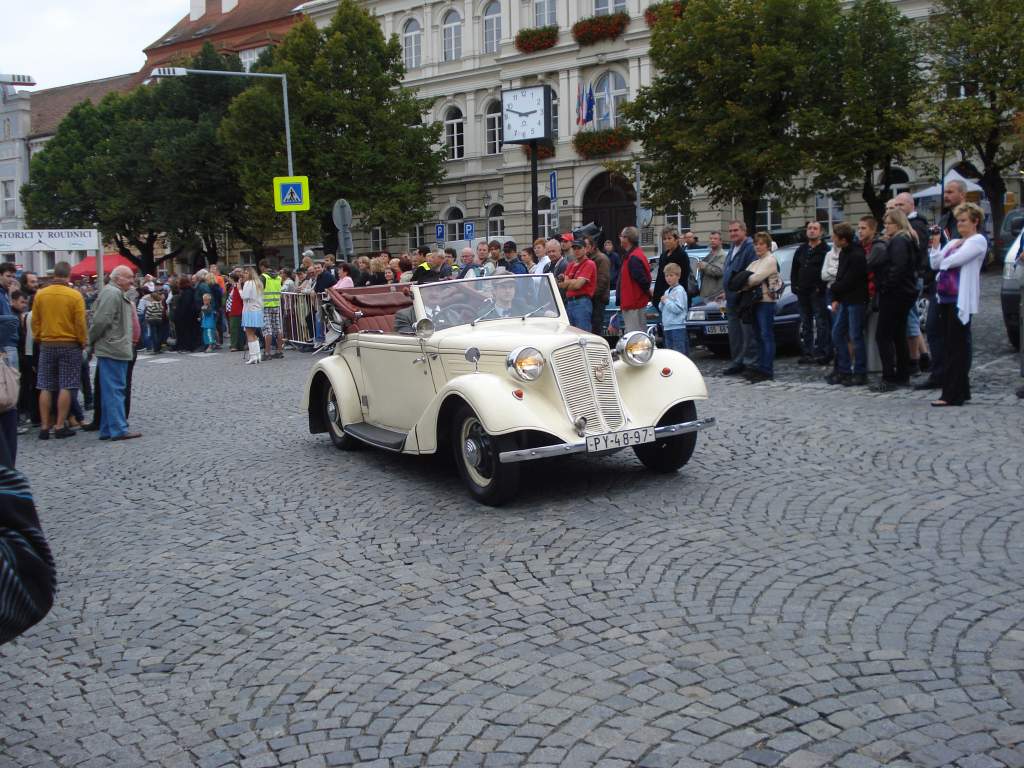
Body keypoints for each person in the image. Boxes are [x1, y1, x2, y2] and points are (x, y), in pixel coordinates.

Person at [928, 202, 986, 406]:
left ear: (975, 221)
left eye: (964, 221)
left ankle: (952, 394)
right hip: (945, 297)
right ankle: (961, 390)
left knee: (956, 347)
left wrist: (944, 260)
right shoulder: (953, 242)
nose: (960, 225)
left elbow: (955, 261)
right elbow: (935, 263)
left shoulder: (978, 240)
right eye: (958, 221)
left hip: (961, 300)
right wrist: (936, 246)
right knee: (949, 345)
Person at [916, 179, 967, 391]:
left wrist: (939, 251)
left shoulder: (965, 219)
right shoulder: (945, 218)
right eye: (945, 192)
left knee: (958, 334)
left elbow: (954, 250)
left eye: (951, 192)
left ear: (962, 195)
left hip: (958, 282)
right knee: (935, 330)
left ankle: (959, 377)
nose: (946, 196)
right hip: (939, 280)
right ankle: (939, 373)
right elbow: (936, 253)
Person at [30, 262, 87, 440]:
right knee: (67, 384)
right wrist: (82, 341)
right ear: (68, 275)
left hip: (47, 343)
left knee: (45, 385)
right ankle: (60, 425)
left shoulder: (40, 294)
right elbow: (80, 322)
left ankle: (45, 426)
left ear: (53, 274)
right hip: (69, 343)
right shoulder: (74, 295)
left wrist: (39, 336)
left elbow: (35, 321)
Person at [88, 266, 140, 441]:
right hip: (114, 347)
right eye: (129, 277)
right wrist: (90, 341)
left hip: (112, 346)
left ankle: (107, 429)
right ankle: (118, 429)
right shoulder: (112, 293)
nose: (132, 281)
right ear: (117, 278)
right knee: (116, 390)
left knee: (110, 390)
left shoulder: (112, 292)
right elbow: (101, 320)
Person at [869, 209, 919, 391]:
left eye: (888, 223)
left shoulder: (899, 241)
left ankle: (889, 376)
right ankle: (902, 375)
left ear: (897, 224)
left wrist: (885, 286)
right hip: (903, 293)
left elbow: (897, 268)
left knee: (883, 335)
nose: (885, 227)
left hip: (895, 293)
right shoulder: (907, 239)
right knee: (898, 335)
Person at [825, 222, 869, 386]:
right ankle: (844, 369)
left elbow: (849, 280)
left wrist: (833, 289)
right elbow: (840, 276)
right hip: (845, 299)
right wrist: (836, 296)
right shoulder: (844, 252)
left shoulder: (857, 255)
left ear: (843, 239)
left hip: (856, 300)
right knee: (837, 333)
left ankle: (860, 371)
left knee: (856, 336)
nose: (833, 239)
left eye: (835, 237)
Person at [791, 221, 831, 365]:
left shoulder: (825, 249)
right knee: (805, 323)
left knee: (821, 323)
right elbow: (795, 268)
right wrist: (794, 286)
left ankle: (822, 352)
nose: (812, 231)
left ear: (820, 232)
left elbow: (827, 269)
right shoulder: (801, 249)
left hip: (817, 292)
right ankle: (807, 353)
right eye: (809, 228)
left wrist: (820, 287)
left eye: (815, 229)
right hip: (802, 291)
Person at [743, 232, 781, 382]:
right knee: (758, 336)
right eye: (756, 244)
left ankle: (767, 369)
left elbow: (753, 279)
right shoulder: (757, 262)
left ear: (767, 245)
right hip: (756, 302)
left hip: (766, 302)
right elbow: (742, 277)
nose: (757, 246)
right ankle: (760, 367)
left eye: (761, 244)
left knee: (766, 336)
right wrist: (746, 280)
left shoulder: (769, 260)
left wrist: (746, 281)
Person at [721, 221, 757, 375]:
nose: (733, 233)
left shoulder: (749, 247)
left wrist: (739, 290)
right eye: (730, 231)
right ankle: (737, 362)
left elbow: (750, 271)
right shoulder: (732, 248)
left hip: (743, 297)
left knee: (747, 333)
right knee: (735, 334)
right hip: (731, 297)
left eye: (736, 230)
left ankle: (749, 364)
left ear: (744, 231)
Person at [618, 227, 651, 334]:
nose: (620, 238)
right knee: (638, 334)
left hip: (634, 303)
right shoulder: (634, 255)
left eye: (622, 236)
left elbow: (643, 280)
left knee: (635, 336)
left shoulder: (633, 257)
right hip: (634, 302)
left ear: (627, 239)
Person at [560, 240, 597, 331]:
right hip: (570, 302)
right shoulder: (571, 265)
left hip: (582, 302)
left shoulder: (589, 264)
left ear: (585, 249)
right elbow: (562, 285)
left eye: (579, 248)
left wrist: (569, 282)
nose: (576, 251)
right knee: (571, 334)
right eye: (574, 248)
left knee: (583, 334)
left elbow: (577, 285)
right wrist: (573, 282)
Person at [652, 226, 692, 309]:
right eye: (664, 239)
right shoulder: (663, 255)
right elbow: (660, 276)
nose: (666, 241)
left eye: (669, 238)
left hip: (675, 296)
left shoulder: (682, 255)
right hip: (662, 296)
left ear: (676, 239)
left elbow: (683, 277)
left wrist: (672, 294)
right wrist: (656, 295)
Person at [660, 263, 688, 355]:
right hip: (667, 326)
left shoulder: (679, 290)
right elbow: (662, 308)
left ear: (678, 276)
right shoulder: (667, 291)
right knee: (671, 353)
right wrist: (662, 302)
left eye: (671, 275)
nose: (668, 278)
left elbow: (678, 309)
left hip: (677, 326)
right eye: (666, 276)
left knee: (679, 353)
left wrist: (666, 302)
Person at [240, 268, 265, 365]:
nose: (244, 274)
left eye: (246, 273)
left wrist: (239, 289)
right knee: (253, 334)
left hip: (249, 310)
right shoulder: (258, 283)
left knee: (249, 334)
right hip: (257, 310)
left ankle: (253, 356)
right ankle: (257, 355)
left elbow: (244, 296)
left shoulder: (248, 283)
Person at [587, 237, 611, 334]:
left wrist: (591, 294)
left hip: (598, 299)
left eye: (587, 246)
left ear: (593, 247)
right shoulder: (588, 259)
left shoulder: (601, 258)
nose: (584, 249)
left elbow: (603, 280)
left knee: (596, 327)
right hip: (591, 298)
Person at [172, 276, 199, 353]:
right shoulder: (189, 291)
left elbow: (185, 305)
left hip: (185, 316)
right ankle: (187, 346)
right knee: (188, 331)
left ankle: (187, 347)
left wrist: (178, 313)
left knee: (186, 332)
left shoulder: (187, 292)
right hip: (189, 315)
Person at [697, 231, 726, 301]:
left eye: (715, 239)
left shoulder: (722, 255)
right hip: (706, 294)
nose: (712, 240)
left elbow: (719, 271)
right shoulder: (709, 254)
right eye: (711, 238)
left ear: (720, 241)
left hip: (716, 295)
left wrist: (705, 266)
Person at [225, 273, 245, 352]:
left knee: (234, 328)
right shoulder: (233, 287)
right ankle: (239, 345)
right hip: (233, 310)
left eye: (230, 278)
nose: (228, 279)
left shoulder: (237, 286)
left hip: (236, 310)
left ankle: (235, 345)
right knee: (237, 328)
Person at [145, 290, 165, 354]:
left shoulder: (151, 305)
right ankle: (158, 348)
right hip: (159, 320)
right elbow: (162, 312)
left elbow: (148, 313)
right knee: (159, 334)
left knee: (153, 335)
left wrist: (146, 319)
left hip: (152, 320)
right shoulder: (160, 304)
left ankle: (155, 349)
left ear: (152, 298)